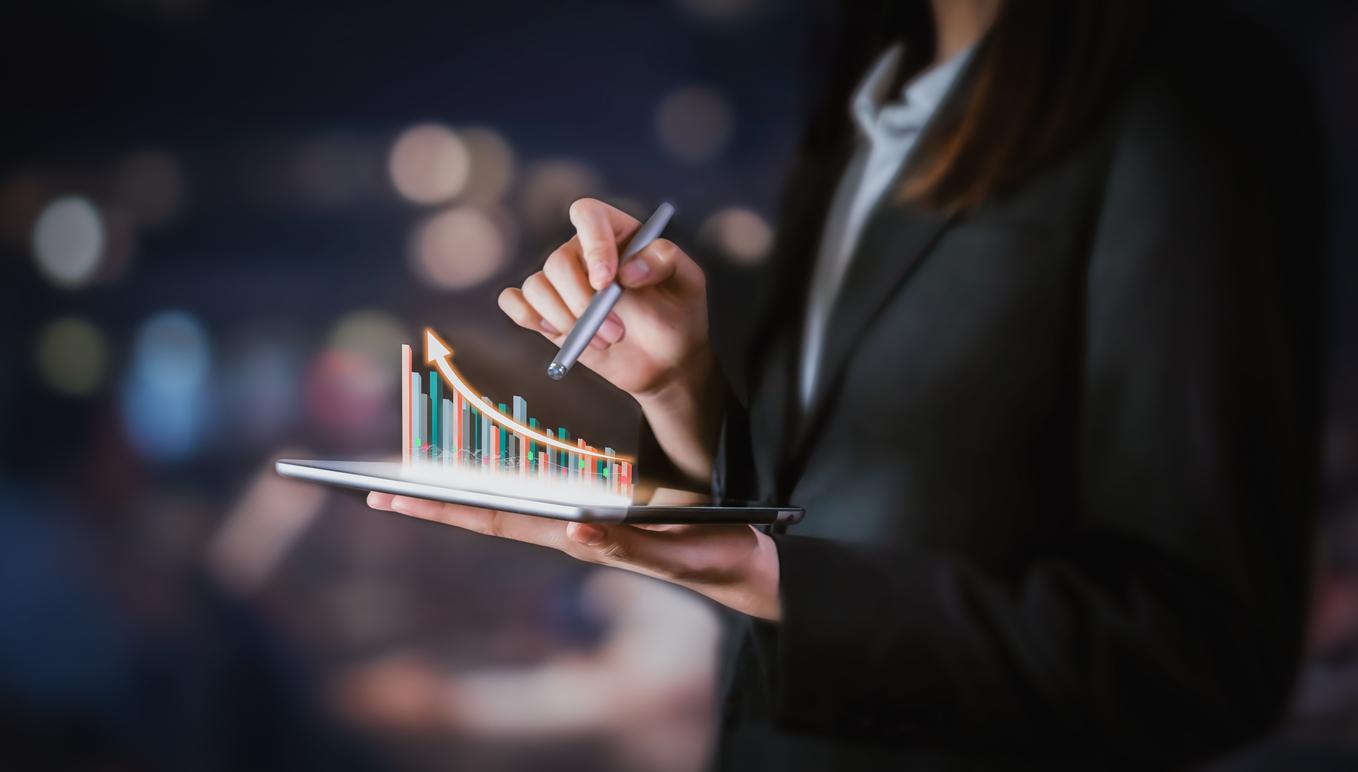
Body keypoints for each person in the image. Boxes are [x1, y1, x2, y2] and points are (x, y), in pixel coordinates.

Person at [367, 0, 1326, 767]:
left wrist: (778, 581)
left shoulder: (1184, 96)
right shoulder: (871, 122)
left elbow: (1200, 659)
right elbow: (824, 507)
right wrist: (678, 390)